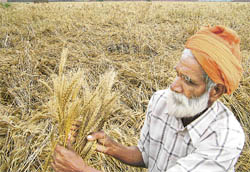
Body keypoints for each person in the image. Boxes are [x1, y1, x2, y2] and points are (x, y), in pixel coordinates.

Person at [52, 25, 245, 172]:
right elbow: (146, 155)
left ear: (216, 91)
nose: (173, 86)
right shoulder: (161, 101)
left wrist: (81, 169)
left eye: (188, 80)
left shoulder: (225, 138)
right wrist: (112, 147)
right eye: (177, 73)